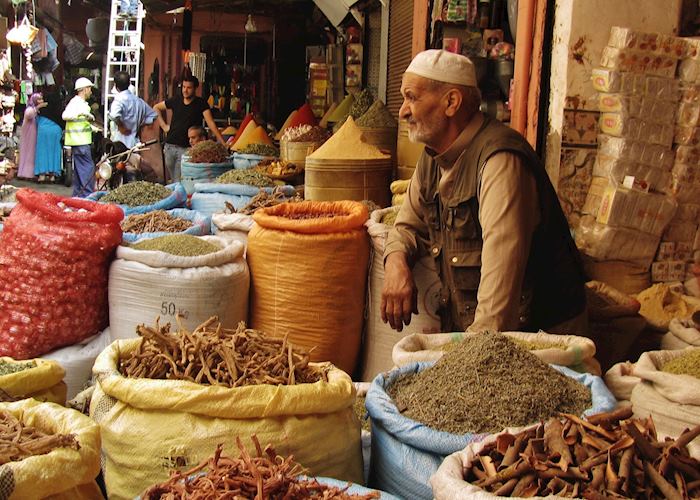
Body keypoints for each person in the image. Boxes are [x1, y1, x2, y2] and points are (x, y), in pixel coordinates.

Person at [381, 49, 587, 336]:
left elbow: (498, 299)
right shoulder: (433, 157)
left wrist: (472, 357)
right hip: (479, 331)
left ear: (451, 102)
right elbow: (406, 225)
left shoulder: (499, 161)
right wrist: (396, 263)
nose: (403, 110)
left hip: (540, 337)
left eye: (412, 97)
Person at [154, 75, 225, 182]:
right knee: (173, 179)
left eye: (189, 88)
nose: (185, 90)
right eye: (183, 87)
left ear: (195, 88)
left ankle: (178, 197)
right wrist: (164, 126)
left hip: (186, 149)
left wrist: (222, 142)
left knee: (179, 180)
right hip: (170, 146)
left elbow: (210, 123)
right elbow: (156, 107)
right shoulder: (176, 100)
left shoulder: (201, 104)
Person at [62, 77, 96, 197]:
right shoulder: (76, 103)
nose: (91, 92)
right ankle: (88, 197)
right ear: (85, 89)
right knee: (87, 170)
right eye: (90, 89)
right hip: (80, 142)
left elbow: (81, 123)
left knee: (80, 171)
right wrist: (83, 113)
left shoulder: (80, 103)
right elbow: (65, 115)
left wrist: (93, 128)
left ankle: (78, 197)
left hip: (80, 141)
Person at [109, 71, 158, 149]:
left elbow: (114, 115)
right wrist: (140, 124)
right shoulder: (139, 101)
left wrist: (121, 126)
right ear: (129, 84)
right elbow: (153, 115)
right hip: (135, 144)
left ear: (115, 85)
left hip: (120, 145)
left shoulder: (118, 100)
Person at [34, 92, 63, 183]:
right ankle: (52, 176)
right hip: (55, 130)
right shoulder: (59, 108)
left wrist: (38, 107)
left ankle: (42, 175)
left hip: (43, 129)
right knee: (54, 151)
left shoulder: (42, 107)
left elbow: (34, 115)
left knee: (42, 152)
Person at [17, 93, 44, 180]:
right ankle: (26, 173)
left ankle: (29, 172)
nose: (40, 101)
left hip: (32, 133)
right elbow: (29, 115)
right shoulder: (29, 109)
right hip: (28, 133)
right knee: (28, 152)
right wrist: (37, 108)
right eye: (39, 99)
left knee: (31, 152)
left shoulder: (34, 109)